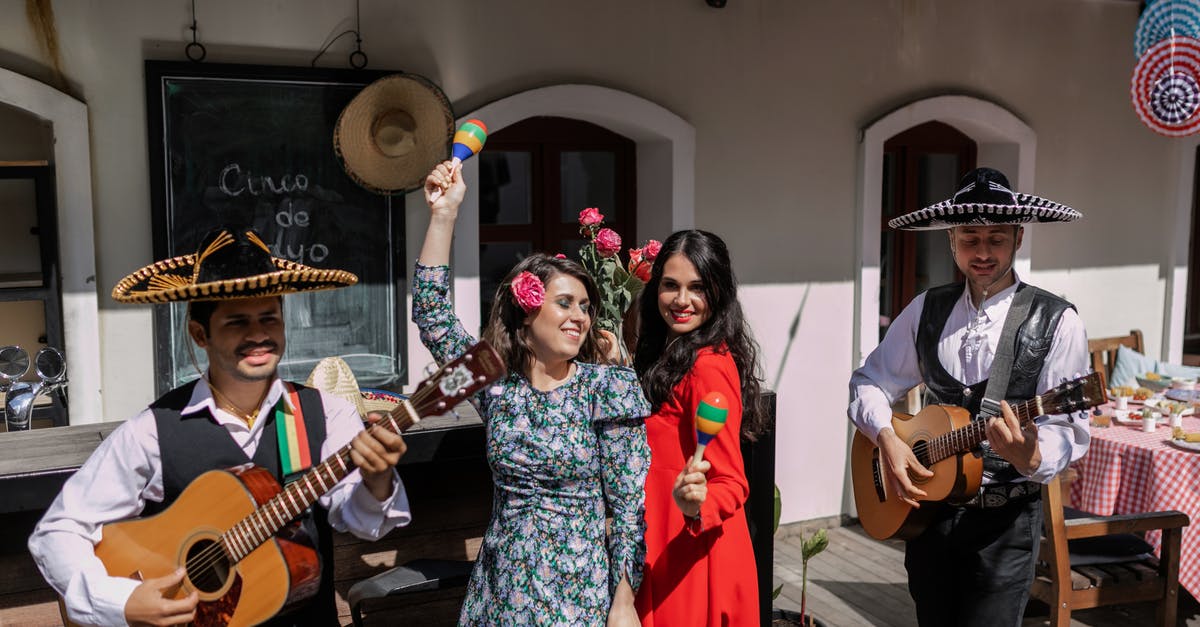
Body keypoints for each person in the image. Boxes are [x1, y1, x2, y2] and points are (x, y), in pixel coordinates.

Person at [29, 227, 412, 627]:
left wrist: (378, 478)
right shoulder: (153, 431)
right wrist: (121, 601)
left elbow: (367, 524)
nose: (258, 334)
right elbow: (57, 530)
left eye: (269, 318)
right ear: (200, 334)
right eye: (236, 322)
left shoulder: (326, 414)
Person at [848, 167, 1091, 627]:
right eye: (969, 237)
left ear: (1018, 238)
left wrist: (1031, 451)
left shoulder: (1057, 320)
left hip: (1005, 524)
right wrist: (887, 438)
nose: (982, 252)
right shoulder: (926, 308)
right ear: (951, 241)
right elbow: (868, 381)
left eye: (996, 238)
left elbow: (1070, 431)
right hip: (929, 517)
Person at [416, 162, 651, 626]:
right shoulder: (497, 385)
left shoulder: (607, 388)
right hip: (501, 589)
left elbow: (629, 507)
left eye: (585, 307)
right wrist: (444, 214)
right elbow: (432, 316)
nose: (579, 317)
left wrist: (624, 601)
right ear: (526, 313)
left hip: (578, 594)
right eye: (564, 303)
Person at [632, 229, 766, 627]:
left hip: (692, 550)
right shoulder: (667, 351)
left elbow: (732, 481)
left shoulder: (707, 365)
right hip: (667, 539)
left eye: (697, 288)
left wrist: (697, 506)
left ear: (718, 293)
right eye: (670, 286)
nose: (682, 300)